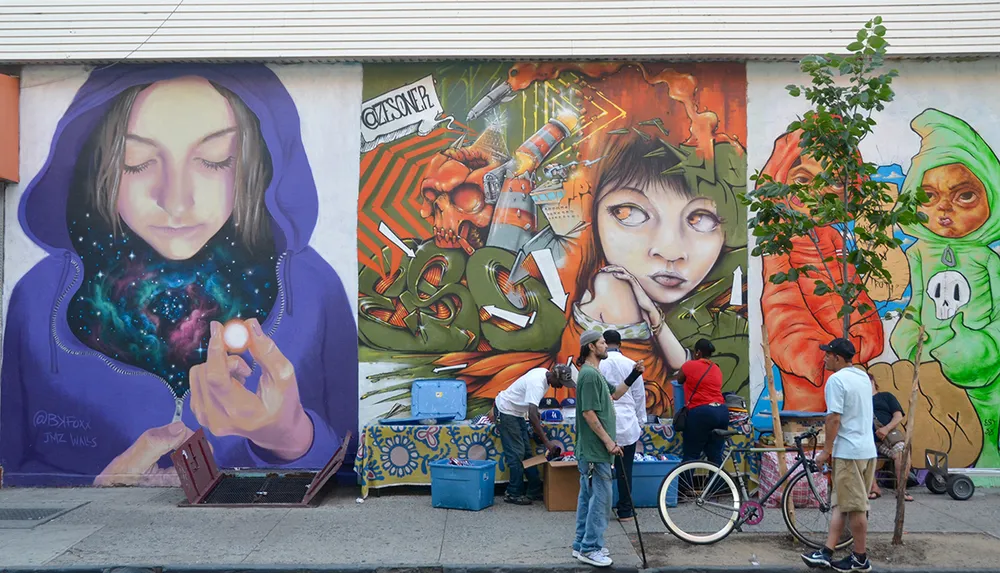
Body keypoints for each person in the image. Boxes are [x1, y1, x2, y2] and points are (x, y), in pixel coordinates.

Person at [0, 65, 357, 486]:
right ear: (99, 165)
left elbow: (350, 461)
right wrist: (94, 489)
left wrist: (290, 435)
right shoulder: (40, 298)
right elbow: (13, 474)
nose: (175, 200)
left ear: (257, 162)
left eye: (213, 160)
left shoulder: (313, 290)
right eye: (136, 163)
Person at [890, 108, 1000, 468]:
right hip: (931, 361)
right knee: (935, 421)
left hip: (982, 370)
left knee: (983, 424)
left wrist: (981, 348)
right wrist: (907, 334)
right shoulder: (919, 252)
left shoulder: (987, 258)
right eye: (928, 197)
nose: (944, 210)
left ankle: (985, 468)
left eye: (964, 196)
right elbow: (917, 300)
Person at [758, 129, 885, 412]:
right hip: (810, 379)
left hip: (844, 362)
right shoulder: (778, 238)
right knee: (815, 430)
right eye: (803, 179)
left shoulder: (833, 237)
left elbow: (855, 294)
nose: (817, 192)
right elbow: (782, 307)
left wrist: (863, 340)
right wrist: (821, 357)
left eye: (834, 182)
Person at [802, 338, 877, 572]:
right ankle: (826, 552)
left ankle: (860, 558)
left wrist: (826, 451)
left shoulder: (836, 380)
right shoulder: (863, 377)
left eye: (827, 355)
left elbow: (834, 417)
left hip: (849, 451)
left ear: (837, 357)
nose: (824, 359)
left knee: (854, 507)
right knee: (840, 505)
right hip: (866, 449)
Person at [572, 329, 621, 568]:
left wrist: (634, 374)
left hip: (594, 451)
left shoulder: (595, 374)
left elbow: (618, 394)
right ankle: (590, 548)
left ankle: (581, 543)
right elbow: (588, 413)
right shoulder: (589, 376)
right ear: (591, 347)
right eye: (602, 342)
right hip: (596, 451)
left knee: (588, 498)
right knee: (601, 500)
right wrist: (609, 443)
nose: (606, 346)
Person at [494, 363, 574, 505]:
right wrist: (547, 443)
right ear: (554, 376)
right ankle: (513, 493)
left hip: (516, 412)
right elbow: (532, 415)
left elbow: (533, 409)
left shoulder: (544, 375)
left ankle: (534, 490)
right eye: (560, 382)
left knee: (526, 453)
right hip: (506, 411)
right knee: (517, 454)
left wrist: (539, 423)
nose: (561, 386)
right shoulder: (538, 384)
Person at [599, 329, 647, 522]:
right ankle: (625, 510)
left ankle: (600, 508)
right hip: (627, 421)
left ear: (603, 343)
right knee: (625, 468)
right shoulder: (631, 365)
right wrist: (641, 422)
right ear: (620, 344)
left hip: (604, 420)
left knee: (601, 466)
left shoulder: (598, 365)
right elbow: (639, 396)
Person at [669, 338, 727, 465]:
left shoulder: (689, 365)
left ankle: (685, 485)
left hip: (702, 412)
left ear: (697, 353)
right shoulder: (716, 368)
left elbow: (679, 380)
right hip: (722, 412)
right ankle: (715, 484)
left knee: (691, 455)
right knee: (715, 455)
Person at [869, 374, 913, 502]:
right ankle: (874, 488)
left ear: (873, 381)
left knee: (902, 452)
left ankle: (901, 490)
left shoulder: (886, 396)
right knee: (863, 454)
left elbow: (898, 416)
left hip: (887, 438)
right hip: (867, 439)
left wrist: (886, 428)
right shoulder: (859, 400)